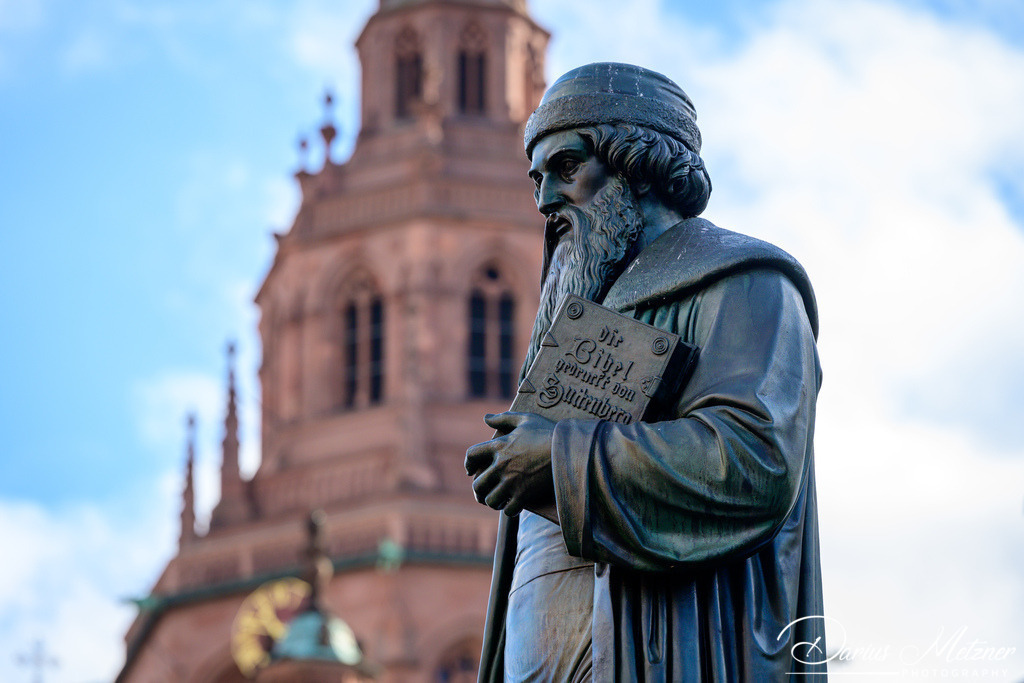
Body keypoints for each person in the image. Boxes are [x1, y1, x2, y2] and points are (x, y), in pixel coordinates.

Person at [465, 63, 826, 682]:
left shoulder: (748, 283)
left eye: (567, 167)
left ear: (639, 165)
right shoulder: (578, 323)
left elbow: (755, 460)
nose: (545, 200)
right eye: (536, 178)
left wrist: (557, 457)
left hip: (673, 651)